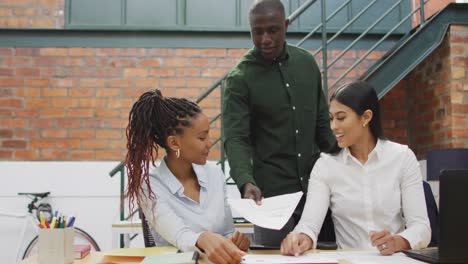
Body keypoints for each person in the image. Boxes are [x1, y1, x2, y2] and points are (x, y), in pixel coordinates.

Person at [222, 0, 336, 246]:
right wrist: (245, 180)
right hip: (271, 201)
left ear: (286, 25)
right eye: (257, 31)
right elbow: (235, 137)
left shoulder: (307, 64)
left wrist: (344, 162)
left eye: (272, 30)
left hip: (317, 193)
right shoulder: (239, 79)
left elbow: (322, 124)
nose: (265, 39)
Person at [280, 81, 431, 256]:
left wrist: (397, 242)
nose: (333, 126)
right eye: (331, 118)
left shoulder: (402, 157)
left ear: (366, 117)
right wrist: (300, 237)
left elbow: (422, 227)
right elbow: (309, 225)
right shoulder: (325, 165)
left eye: (341, 117)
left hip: (393, 259)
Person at [125, 89, 250, 264]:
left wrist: (235, 241)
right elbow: (180, 235)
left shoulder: (215, 175)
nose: (209, 143)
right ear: (174, 143)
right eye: (201, 137)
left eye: (208, 135)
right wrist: (203, 238)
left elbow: (226, 232)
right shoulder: (149, 186)